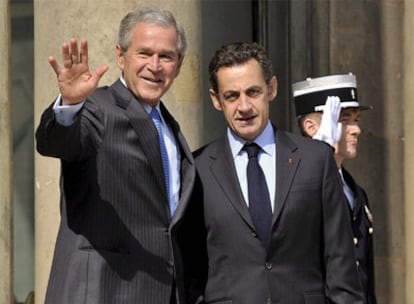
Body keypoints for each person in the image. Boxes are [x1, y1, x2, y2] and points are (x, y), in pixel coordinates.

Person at [35, 6, 204, 304]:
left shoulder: (170, 128)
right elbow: (58, 142)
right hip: (103, 291)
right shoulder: (98, 108)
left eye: (166, 56)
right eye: (144, 53)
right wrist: (70, 106)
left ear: (178, 66)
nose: (155, 65)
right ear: (120, 56)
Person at [193, 41, 364, 303]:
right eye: (232, 96)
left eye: (253, 92)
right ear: (216, 100)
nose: (244, 106)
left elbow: (340, 263)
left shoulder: (315, 160)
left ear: (271, 89)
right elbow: (189, 270)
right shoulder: (198, 168)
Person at [292, 73, 377, 304]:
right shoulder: (295, 187)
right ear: (311, 127)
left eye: (356, 120)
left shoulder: (355, 192)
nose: (356, 130)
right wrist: (319, 154)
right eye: (344, 119)